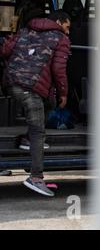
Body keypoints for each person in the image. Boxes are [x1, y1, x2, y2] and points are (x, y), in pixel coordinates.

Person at [0, 10, 71, 197]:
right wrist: (64, 93)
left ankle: (27, 139)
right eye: (67, 26)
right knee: (39, 130)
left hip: (11, 83)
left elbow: (5, 51)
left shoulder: (25, 31)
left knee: (47, 103)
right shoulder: (61, 39)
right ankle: (36, 177)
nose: (68, 31)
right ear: (59, 22)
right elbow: (58, 69)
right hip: (30, 88)